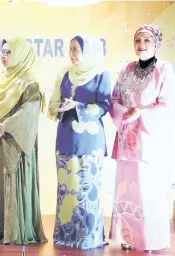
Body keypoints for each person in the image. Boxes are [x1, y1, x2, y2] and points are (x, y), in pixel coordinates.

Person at [109, 24, 174, 252]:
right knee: (127, 187)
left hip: (149, 140)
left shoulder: (164, 70)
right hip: (127, 137)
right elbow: (115, 98)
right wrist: (124, 116)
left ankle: (150, 238)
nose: (141, 45)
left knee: (148, 188)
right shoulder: (126, 69)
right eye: (138, 40)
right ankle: (129, 237)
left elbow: (167, 105)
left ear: (156, 43)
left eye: (146, 40)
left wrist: (141, 112)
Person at [0, 37, 47, 245]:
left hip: (15, 143)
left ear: (20, 54)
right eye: (3, 52)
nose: (4, 56)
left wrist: (3, 127)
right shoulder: (2, 80)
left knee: (13, 184)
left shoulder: (30, 83)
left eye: (9, 52)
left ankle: (14, 231)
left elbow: (28, 113)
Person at [47, 35, 111, 249]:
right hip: (65, 137)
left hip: (89, 141)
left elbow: (104, 106)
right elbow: (55, 105)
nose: (72, 53)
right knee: (67, 190)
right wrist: (58, 108)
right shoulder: (65, 75)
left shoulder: (102, 75)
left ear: (88, 50)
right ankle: (66, 235)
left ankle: (87, 237)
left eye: (76, 49)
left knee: (86, 190)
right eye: (70, 49)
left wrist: (78, 107)